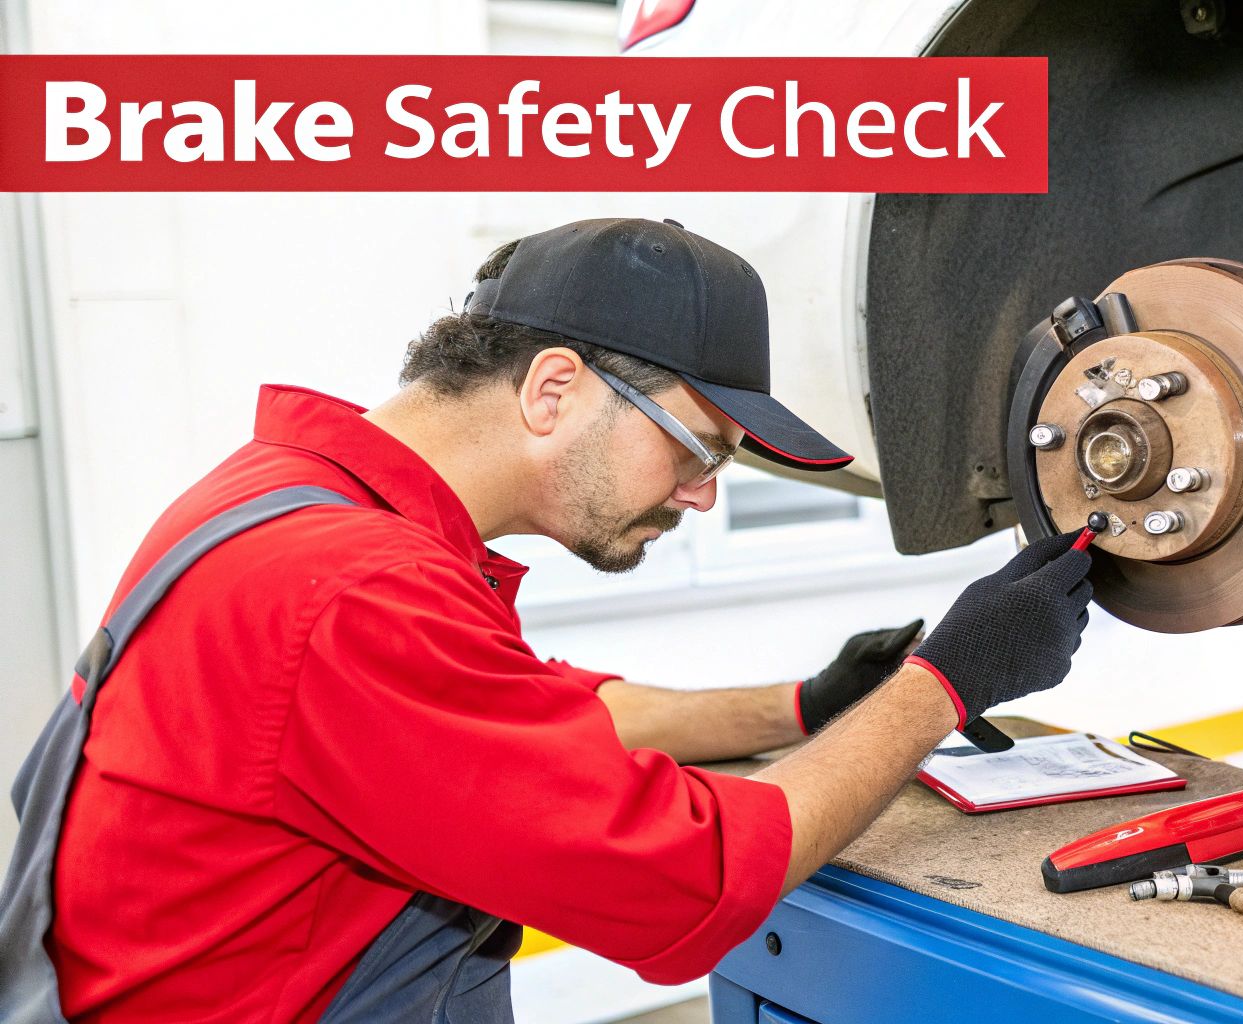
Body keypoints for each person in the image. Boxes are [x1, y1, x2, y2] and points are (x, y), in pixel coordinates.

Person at [0, 218, 1093, 1023]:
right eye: (699, 445)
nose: (703, 490)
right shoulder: (348, 589)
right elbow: (693, 879)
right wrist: (943, 681)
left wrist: (806, 702)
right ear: (553, 391)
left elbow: (519, 722)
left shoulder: (288, 498)